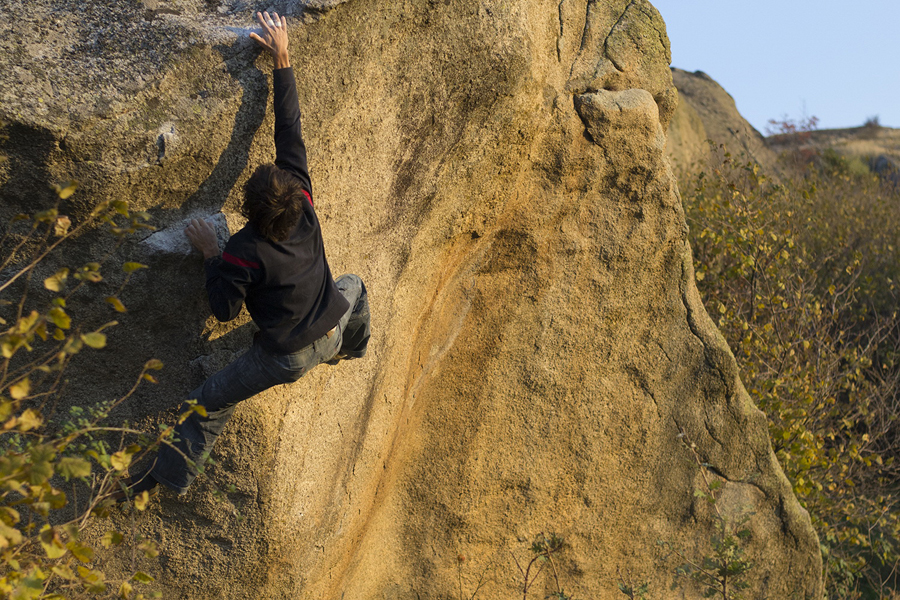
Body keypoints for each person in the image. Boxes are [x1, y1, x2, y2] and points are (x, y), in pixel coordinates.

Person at [122, 11, 370, 499]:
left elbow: (224, 310)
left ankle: (166, 480)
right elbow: (290, 131)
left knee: (207, 401)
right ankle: (354, 348)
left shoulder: (243, 251)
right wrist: (283, 58)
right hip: (334, 325)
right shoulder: (303, 203)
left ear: (249, 212)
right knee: (355, 285)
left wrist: (212, 254)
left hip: (288, 358)